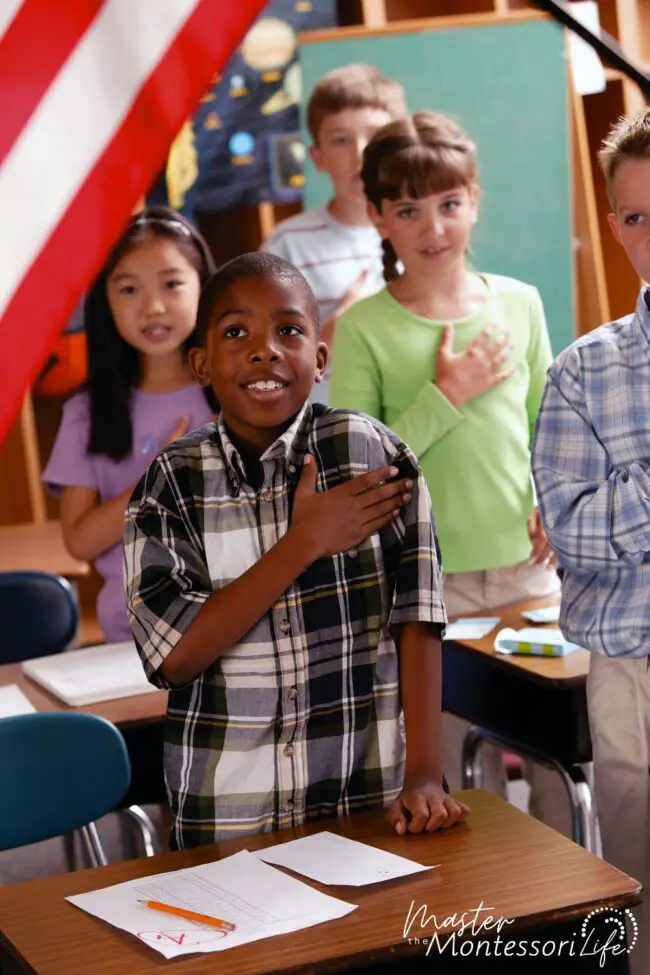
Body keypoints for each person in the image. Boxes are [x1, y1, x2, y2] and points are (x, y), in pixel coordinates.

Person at [124, 251, 468, 850]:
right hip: (229, 812)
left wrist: (423, 774)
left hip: (368, 799)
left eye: (289, 330)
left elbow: (418, 617)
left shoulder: (371, 454)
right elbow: (174, 658)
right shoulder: (171, 481)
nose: (265, 350)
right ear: (201, 363)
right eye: (237, 333)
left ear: (321, 356)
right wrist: (304, 542)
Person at [328, 111, 566, 832]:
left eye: (449, 205)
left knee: (555, 752)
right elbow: (357, 470)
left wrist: (555, 501)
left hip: (530, 574)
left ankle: (569, 908)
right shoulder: (364, 326)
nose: (433, 227)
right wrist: (447, 396)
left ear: (474, 201)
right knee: (458, 768)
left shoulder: (520, 302)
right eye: (408, 209)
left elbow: (549, 427)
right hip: (428, 585)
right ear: (377, 215)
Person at [532, 109, 650, 974]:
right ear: (614, 228)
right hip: (635, 666)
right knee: (642, 866)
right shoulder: (586, 370)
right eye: (637, 216)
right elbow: (577, 529)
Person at [43, 206, 216, 644]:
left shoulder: (236, 394)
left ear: (205, 288)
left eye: (172, 284)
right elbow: (80, 543)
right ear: (105, 300)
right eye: (129, 289)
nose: (153, 307)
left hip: (237, 630)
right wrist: (156, 477)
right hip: (132, 642)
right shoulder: (86, 413)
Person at [262, 64, 407, 404]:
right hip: (328, 436)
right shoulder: (287, 246)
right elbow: (264, 365)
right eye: (341, 140)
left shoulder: (419, 234)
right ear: (317, 157)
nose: (360, 153)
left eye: (374, 135)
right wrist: (333, 331)